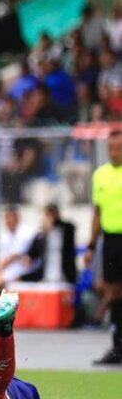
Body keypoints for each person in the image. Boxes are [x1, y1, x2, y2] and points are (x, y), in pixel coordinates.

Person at [85, 130, 122, 365]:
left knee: (117, 291)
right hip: (111, 240)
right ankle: (117, 347)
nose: (114, 152)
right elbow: (97, 213)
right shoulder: (100, 175)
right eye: (111, 148)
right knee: (114, 295)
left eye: (118, 148)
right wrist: (90, 245)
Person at [0, 206, 35, 300]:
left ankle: (0, 308)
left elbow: (13, 257)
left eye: (10, 218)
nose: (8, 221)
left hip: (23, 270)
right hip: (9, 269)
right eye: (6, 218)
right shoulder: (5, 235)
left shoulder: (25, 232)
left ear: (17, 218)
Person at [22, 204, 76, 285]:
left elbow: (69, 229)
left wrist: (53, 225)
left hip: (64, 276)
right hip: (46, 277)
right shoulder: (42, 236)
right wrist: (44, 232)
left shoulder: (66, 230)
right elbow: (31, 255)